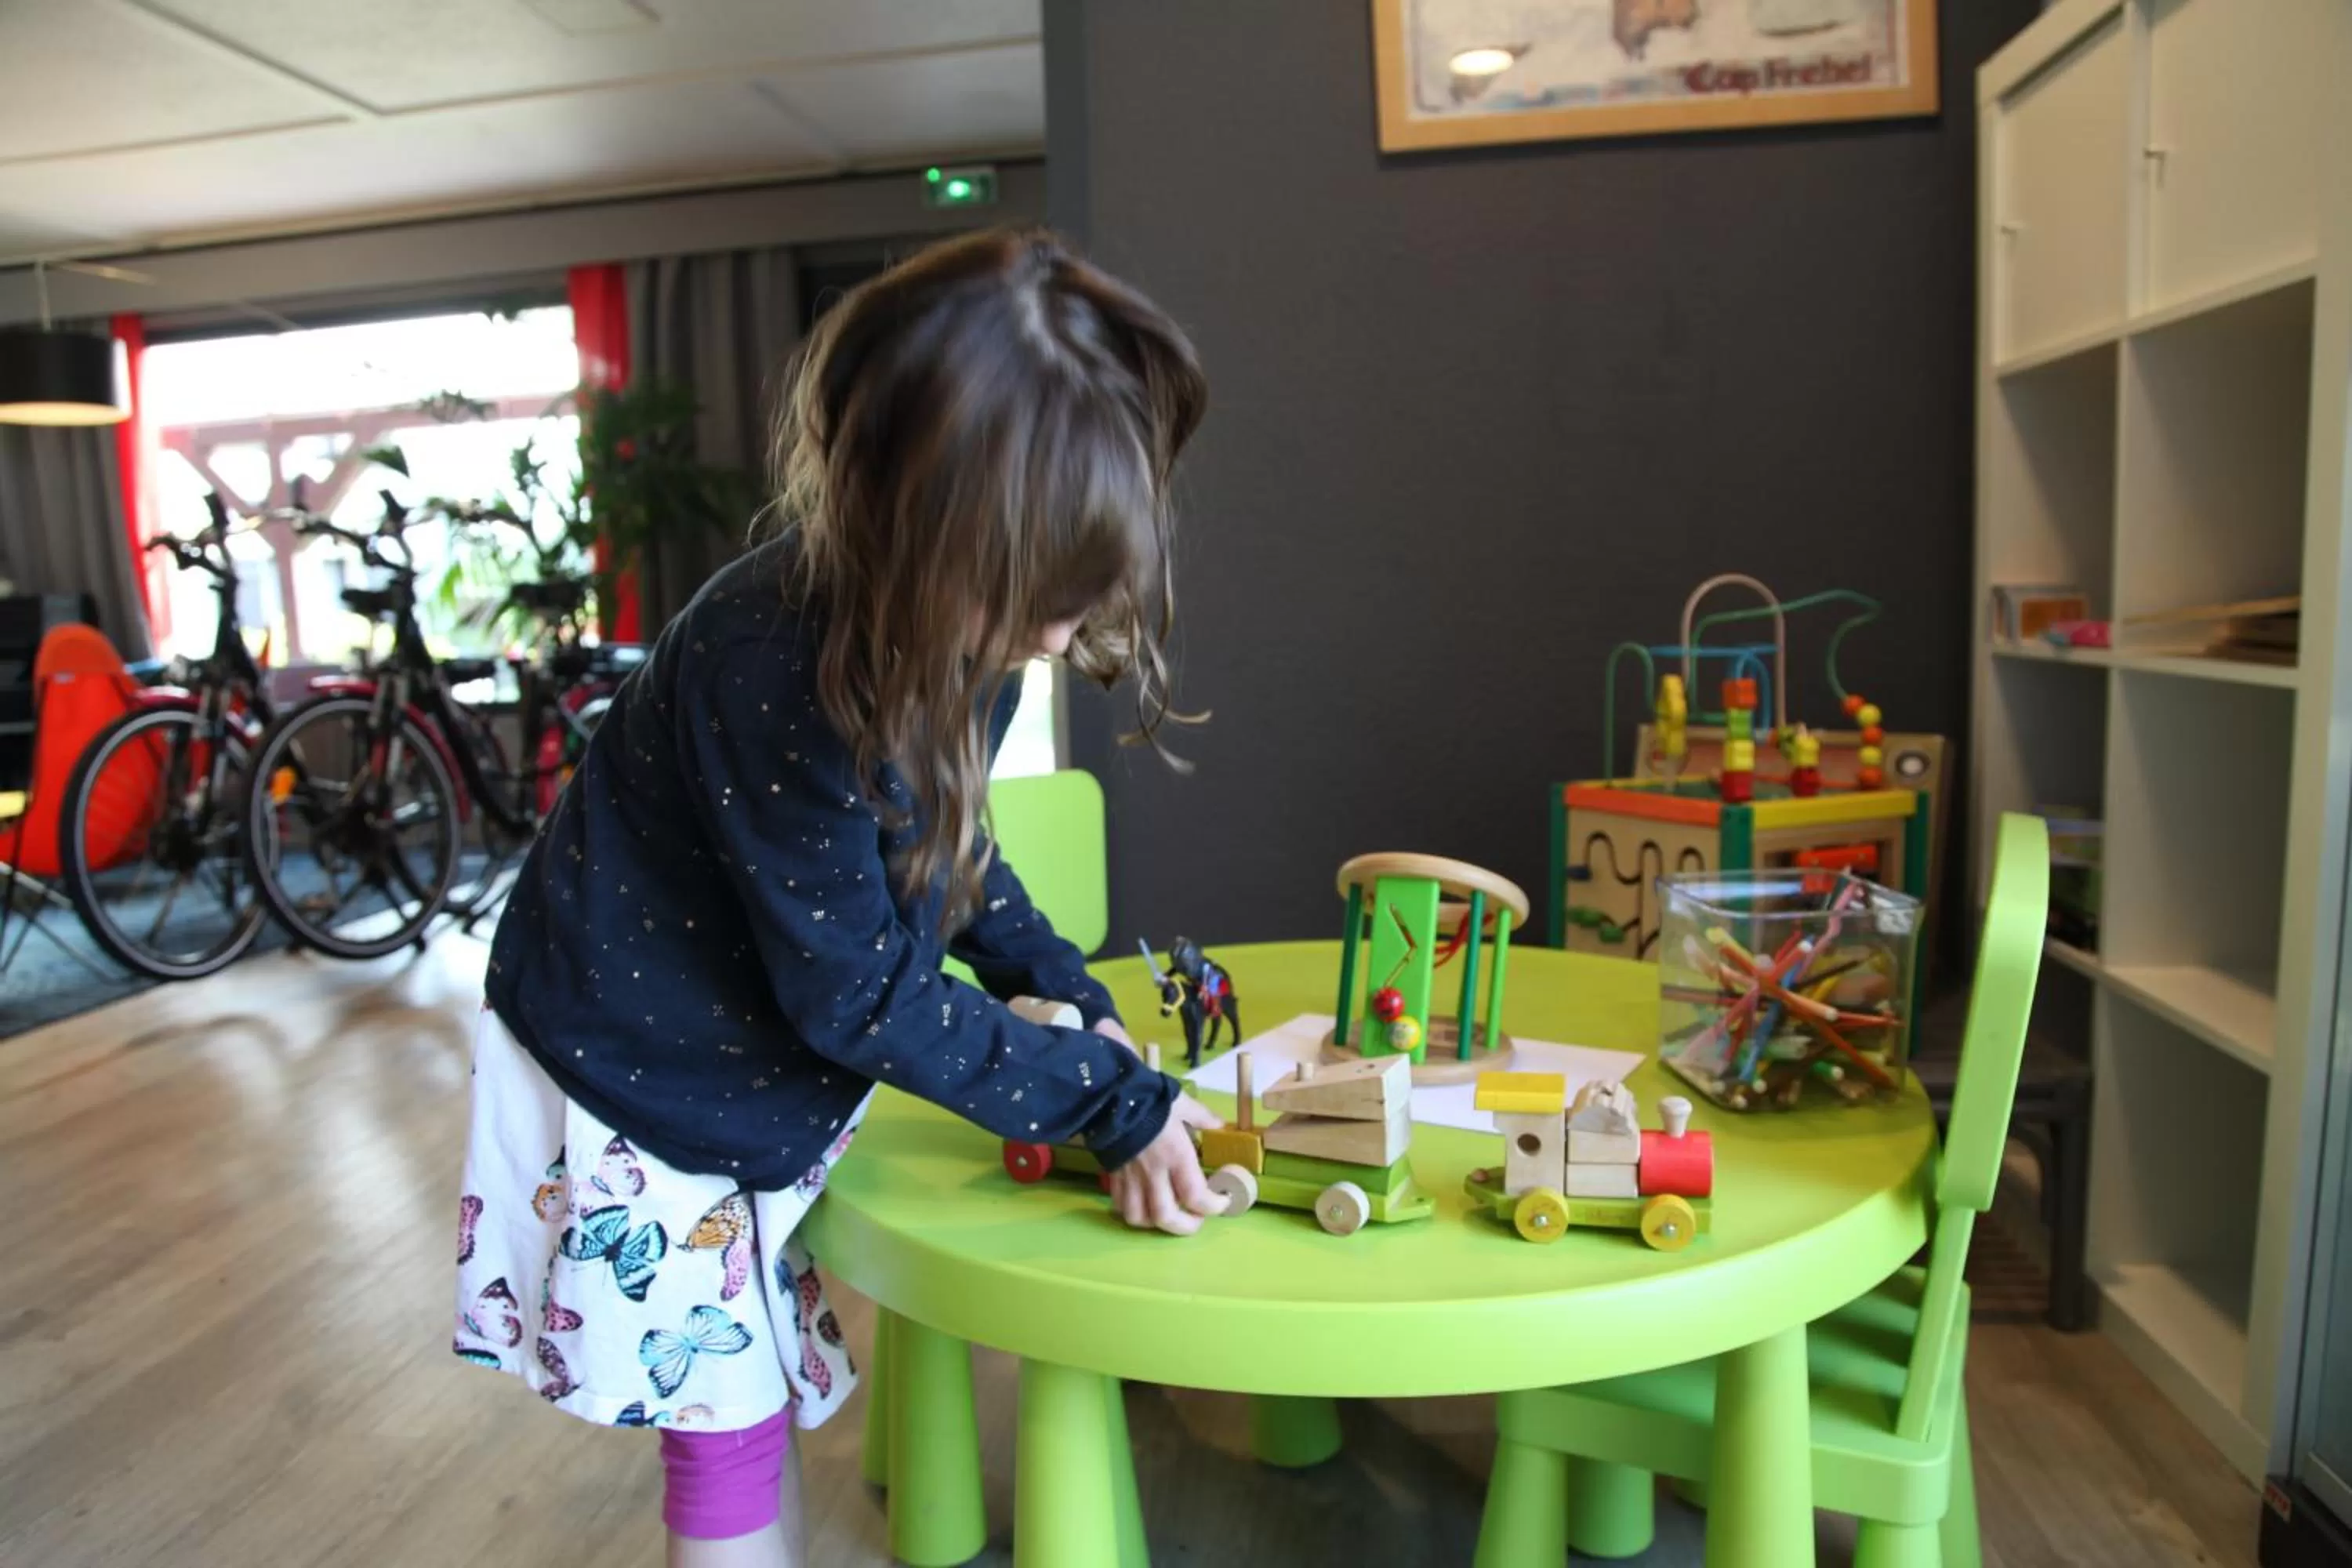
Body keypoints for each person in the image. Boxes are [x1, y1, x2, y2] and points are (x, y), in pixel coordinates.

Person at [451, 228, 1224, 1566]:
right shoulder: (774, 664)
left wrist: (1058, 988)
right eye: (1033, 600)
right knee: (729, 1409)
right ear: (909, 527)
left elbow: (952, 842)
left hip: (734, 1046)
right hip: (637, 1069)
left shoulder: (953, 623)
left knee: (747, 1384)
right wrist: (1110, 1100)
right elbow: (854, 994)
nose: (1052, 637)